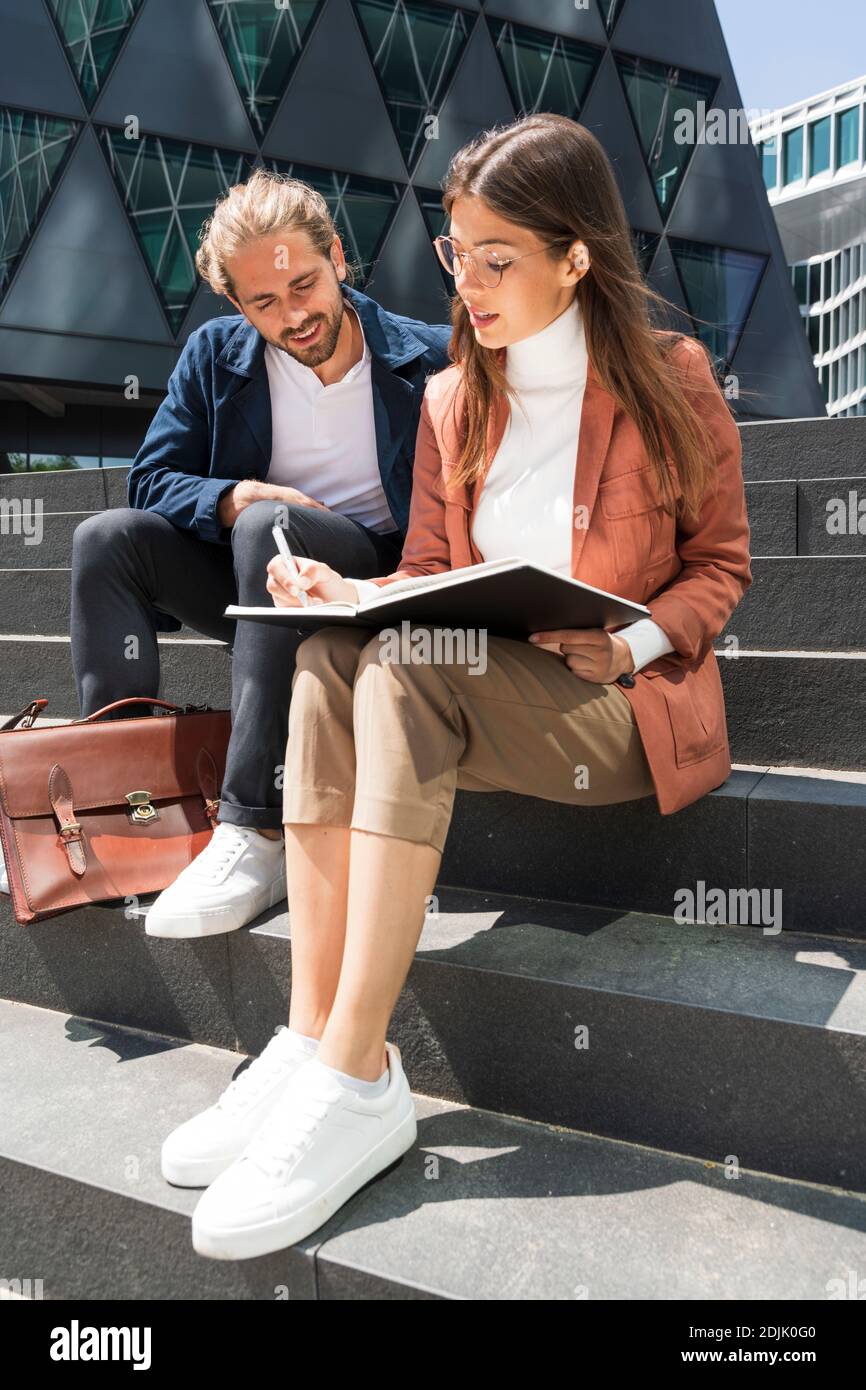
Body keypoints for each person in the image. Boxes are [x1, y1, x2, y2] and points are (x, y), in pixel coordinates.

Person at [173, 113, 752, 1261]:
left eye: (498, 259)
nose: (470, 284)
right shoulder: (451, 398)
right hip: (485, 683)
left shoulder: (670, 380)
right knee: (343, 651)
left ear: (573, 257)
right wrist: (352, 594)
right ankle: (308, 1042)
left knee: (395, 676)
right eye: (457, 255)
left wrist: (633, 644)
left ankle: (357, 1073)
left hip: (615, 707)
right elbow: (432, 576)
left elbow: (720, 562)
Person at [64, 169, 450, 937]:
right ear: (237, 305)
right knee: (103, 537)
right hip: (256, 584)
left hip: (375, 581)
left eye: (304, 284)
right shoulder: (217, 355)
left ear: (338, 257)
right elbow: (150, 479)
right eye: (264, 303)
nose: (294, 315)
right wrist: (232, 495)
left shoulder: (431, 358)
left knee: (265, 523)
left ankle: (258, 826)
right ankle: (125, 809)